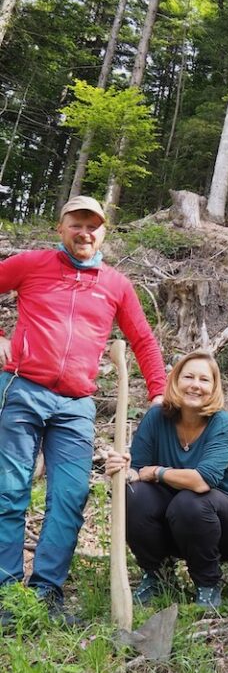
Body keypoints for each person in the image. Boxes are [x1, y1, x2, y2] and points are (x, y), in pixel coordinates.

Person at [0, 195, 165, 620]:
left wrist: (159, 392)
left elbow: (143, 340)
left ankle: (44, 594)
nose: (85, 232)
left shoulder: (116, 285)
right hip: (22, 388)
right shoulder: (31, 264)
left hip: (76, 404)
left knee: (70, 496)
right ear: (61, 227)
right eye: (77, 223)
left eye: (93, 225)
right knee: (11, 490)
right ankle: (6, 593)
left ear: (104, 232)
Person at [105, 350, 228, 611]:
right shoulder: (156, 418)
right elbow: (136, 472)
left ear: (214, 387)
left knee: (190, 500)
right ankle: (157, 577)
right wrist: (120, 470)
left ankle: (207, 586)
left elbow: (201, 481)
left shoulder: (222, 423)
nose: (195, 385)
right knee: (133, 494)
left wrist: (157, 473)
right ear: (175, 381)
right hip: (175, 523)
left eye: (204, 379)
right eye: (188, 377)